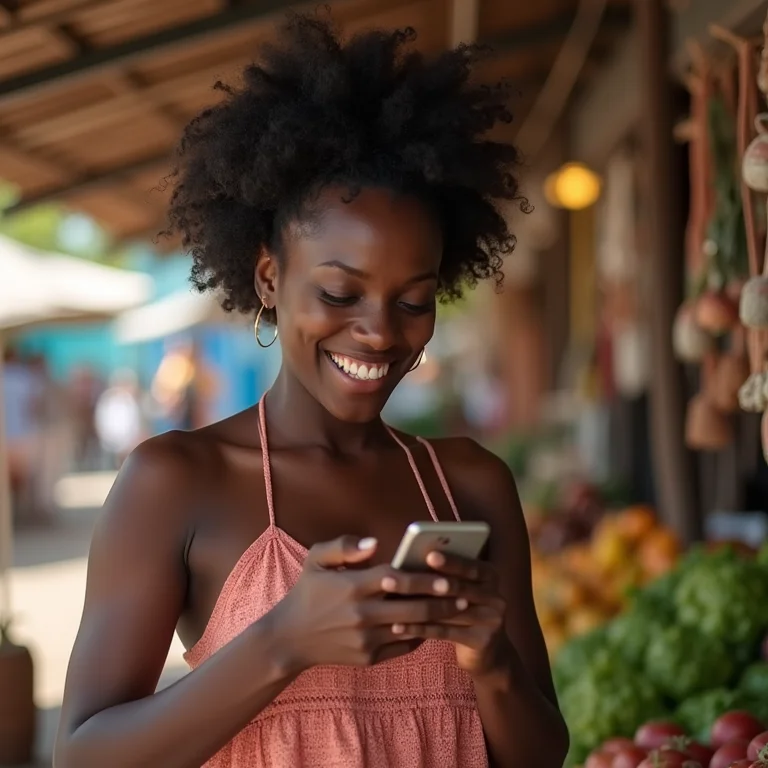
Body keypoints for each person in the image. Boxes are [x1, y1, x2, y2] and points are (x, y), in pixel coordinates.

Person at [54, 13, 569, 768]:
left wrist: (490, 664)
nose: (379, 331)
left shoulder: (470, 484)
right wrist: (283, 641)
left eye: (413, 300)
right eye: (339, 293)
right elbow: (82, 756)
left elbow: (541, 755)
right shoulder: (175, 482)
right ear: (270, 278)